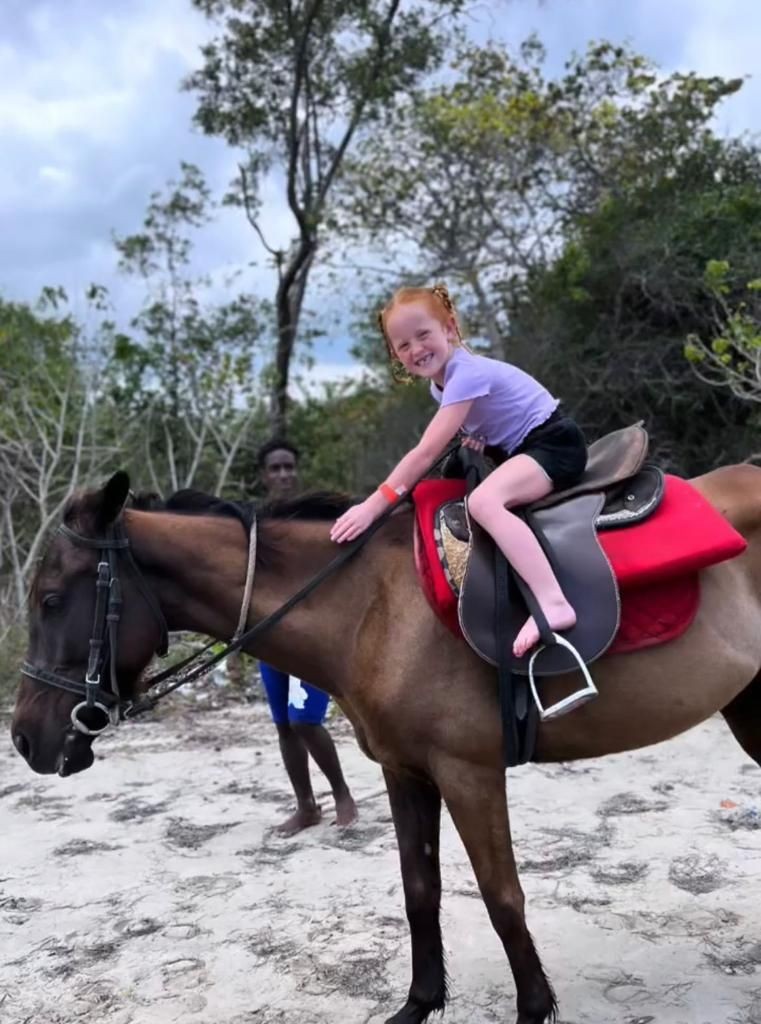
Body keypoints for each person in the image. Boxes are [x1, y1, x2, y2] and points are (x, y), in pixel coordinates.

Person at [330, 284, 587, 658]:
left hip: (553, 445)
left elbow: (424, 454)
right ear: (395, 355)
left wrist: (373, 506)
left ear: (449, 328)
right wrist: (483, 438)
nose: (416, 350)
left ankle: (553, 602)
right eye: (403, 345)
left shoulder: (465, 373)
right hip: (524, 448)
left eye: (424, 335)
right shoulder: (441, 387)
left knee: (484, 503)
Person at [256, 438, 358, 836]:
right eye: (275, 468)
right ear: (264, 475)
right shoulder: (256, 522)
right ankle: (305, 806)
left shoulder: (315, 518)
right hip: (269, 638)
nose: (283, 474)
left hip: (310, 635)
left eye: (288, 467)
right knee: (284, 725)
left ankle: (342, 794)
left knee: (304, 720)